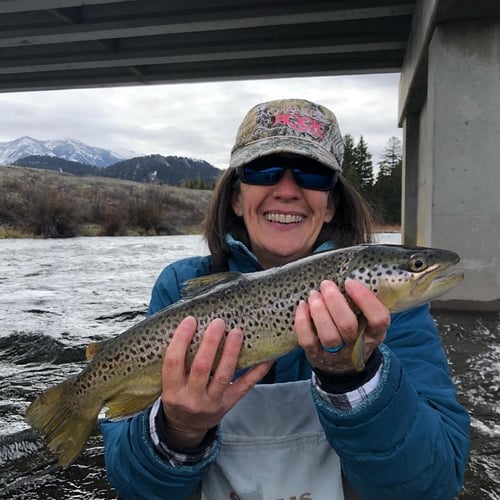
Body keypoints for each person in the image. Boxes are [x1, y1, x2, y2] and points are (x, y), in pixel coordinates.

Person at [102, 98, 470, 499]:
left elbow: (434, 484)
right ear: (236, 198)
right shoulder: (181, 285)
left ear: (330, 205)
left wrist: (355, 381)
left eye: (312, 174)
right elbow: (132, 486)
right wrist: (180, 430)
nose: (288, 190)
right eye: (264, 170)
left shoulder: (392, 313)